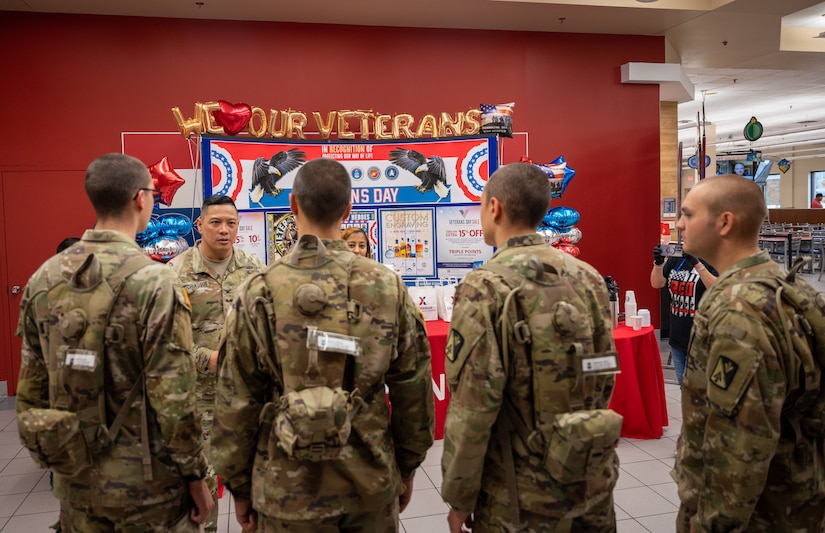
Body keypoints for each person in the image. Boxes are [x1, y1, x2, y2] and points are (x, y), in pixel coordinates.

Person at [211, 158, 434, 533]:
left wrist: (239, 485)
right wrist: (406, 466)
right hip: (368, 481)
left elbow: (236, 397)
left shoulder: (259, 289)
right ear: (348, 209)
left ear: (293, 206)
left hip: (284, 487)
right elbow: (413, 386)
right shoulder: (386, 285)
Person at [16, 153, 212, 532]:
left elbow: (31, 390)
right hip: (149, 488)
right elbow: (173, 395)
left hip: (75, 478)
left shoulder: (44, 277)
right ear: (141, 198)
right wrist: (196, 476)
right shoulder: (155, 280)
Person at [441, 162, 619, 532]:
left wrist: (460, 494)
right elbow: (603, 371)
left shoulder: (484, 286)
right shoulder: (587, 277)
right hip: (588, 472)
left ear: (495, 208)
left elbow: (473, 404)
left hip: (518, 492)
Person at [672, 174, 825, 531]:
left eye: (688, 214)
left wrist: (712, 523)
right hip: (800, 497)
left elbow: (740, 443)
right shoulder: (790, 289)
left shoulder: (738, 310)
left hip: (762, 513)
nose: (679, 223)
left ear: (725, 222)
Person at [167, 194, 264, 531]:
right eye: (216, 222)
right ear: (200, 225)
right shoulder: (175, 273)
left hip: (246, 397)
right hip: (199, 399)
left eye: (231, 223)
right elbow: (167, 340)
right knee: (201, 489)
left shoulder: (254, 270)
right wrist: (206, 358)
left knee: (254, 486)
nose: (224, 230)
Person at [650, 247, 717, 385]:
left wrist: (697, 264)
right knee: (684, 386)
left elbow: (719, 287)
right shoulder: (676, 258)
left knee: (701, 390)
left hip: (702, 340)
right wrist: (658, 263)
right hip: (677, 337)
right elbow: (657, 283)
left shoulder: (714, 257)